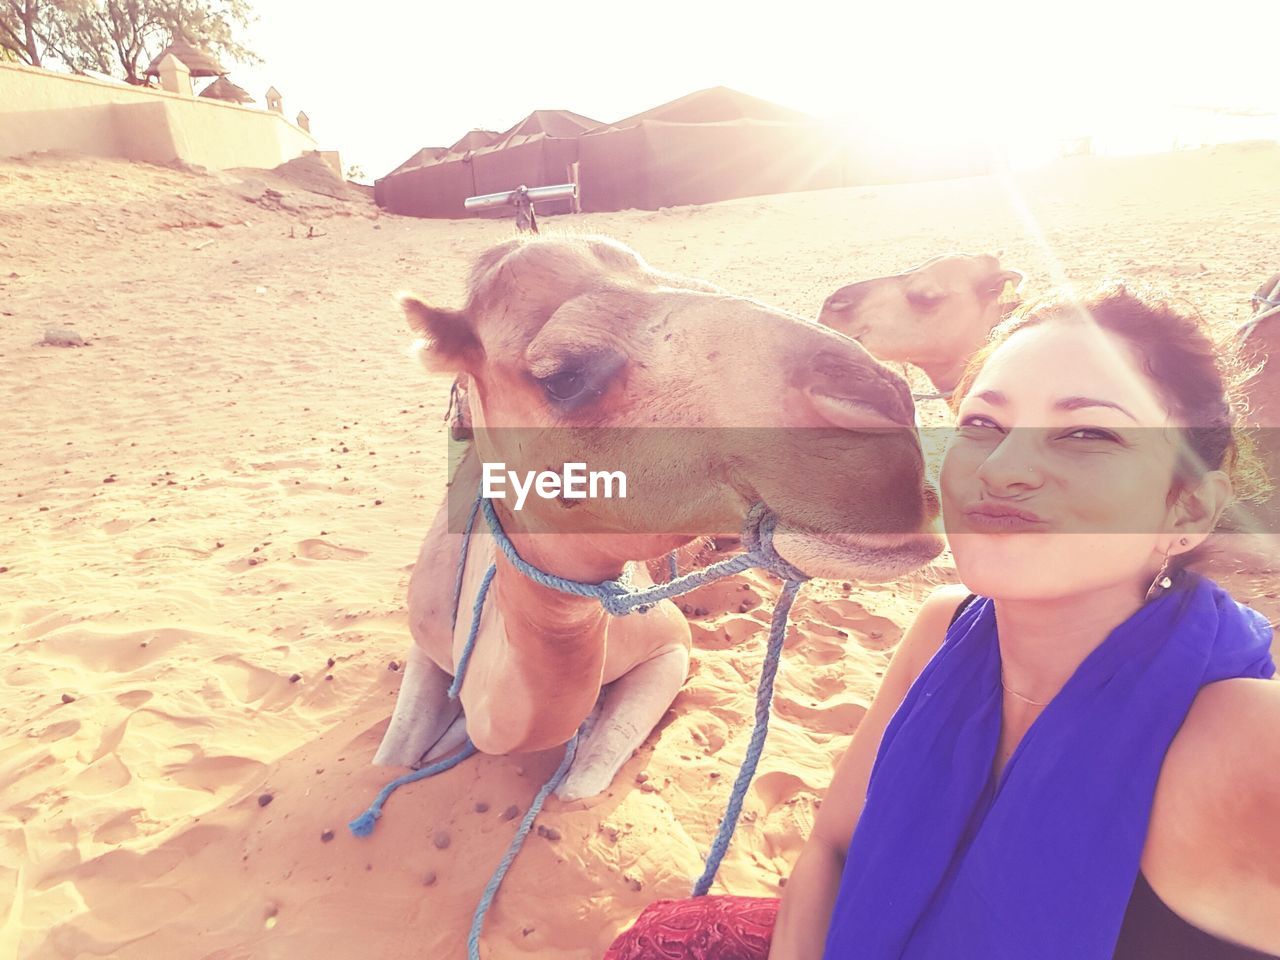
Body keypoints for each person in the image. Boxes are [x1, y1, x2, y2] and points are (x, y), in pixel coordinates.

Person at [604, 283, 1280, 959]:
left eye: (1086, 433)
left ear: (1187, 509)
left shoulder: (1241, 735)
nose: (1004, 469)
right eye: (983, 426)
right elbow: (834, 848)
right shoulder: (944, 626)